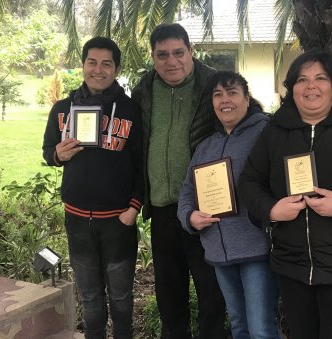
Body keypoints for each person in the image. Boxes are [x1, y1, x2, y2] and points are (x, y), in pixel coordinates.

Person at [238, 51, 332, 339]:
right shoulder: (275, 131)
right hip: (292, 265)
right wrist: (272, 210)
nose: (311, 86)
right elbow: (248, 181)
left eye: (320, 78)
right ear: (292, 88)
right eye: (302, 79)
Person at [42, 36, 142, 339]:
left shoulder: (130, 110)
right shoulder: (62, 108)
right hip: (77, 222)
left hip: (117, 222)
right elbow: (48, 151)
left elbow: (141, 163)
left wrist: (134, 207)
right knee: (89, 297)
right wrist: (58, 154)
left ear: (116, 68)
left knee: (122, 298)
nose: (98, 70)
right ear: (83, 65)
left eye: (106, 64)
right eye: (92, 62)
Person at [130, 23, 226, 339]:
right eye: (162, 55)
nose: (172, 62)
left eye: (178, 53)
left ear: (190, 51)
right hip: (162, 211)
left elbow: (247, 119)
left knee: (212, 293)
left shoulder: (214, 83)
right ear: (153, 57)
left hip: (205, 212)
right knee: (170, 297)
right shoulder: (144, 89)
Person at [177, 71, 280, 339]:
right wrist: (189, 217)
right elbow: (187, 190)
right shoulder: (206, 146)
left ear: (247, 99)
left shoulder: (267, 132)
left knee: (261, 329)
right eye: (218, 94)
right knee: (238, 325)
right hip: (219, 252)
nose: (225, 100)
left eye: (232, 93)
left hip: (256, 249)